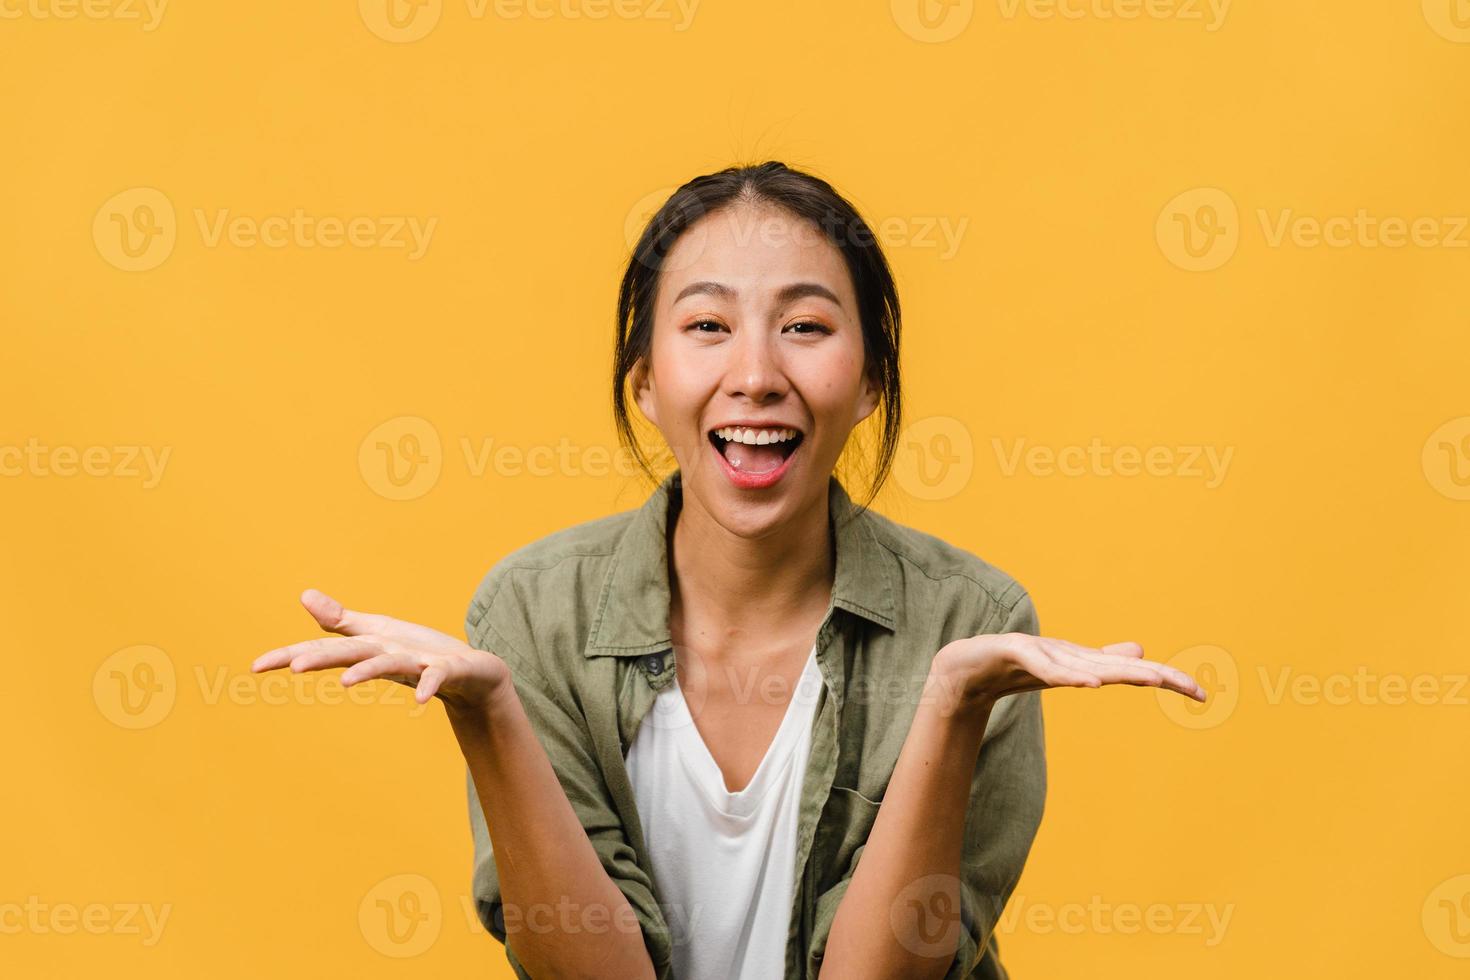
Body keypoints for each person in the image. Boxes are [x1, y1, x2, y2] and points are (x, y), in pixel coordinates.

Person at [252, 161, 1206, 979]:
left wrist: (952, 706)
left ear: (872, 380)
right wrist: (490, 716)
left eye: (806, 326)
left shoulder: (975, 624)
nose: (754, 373)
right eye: (707, 326)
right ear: (645, 379)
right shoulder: (532, 611)